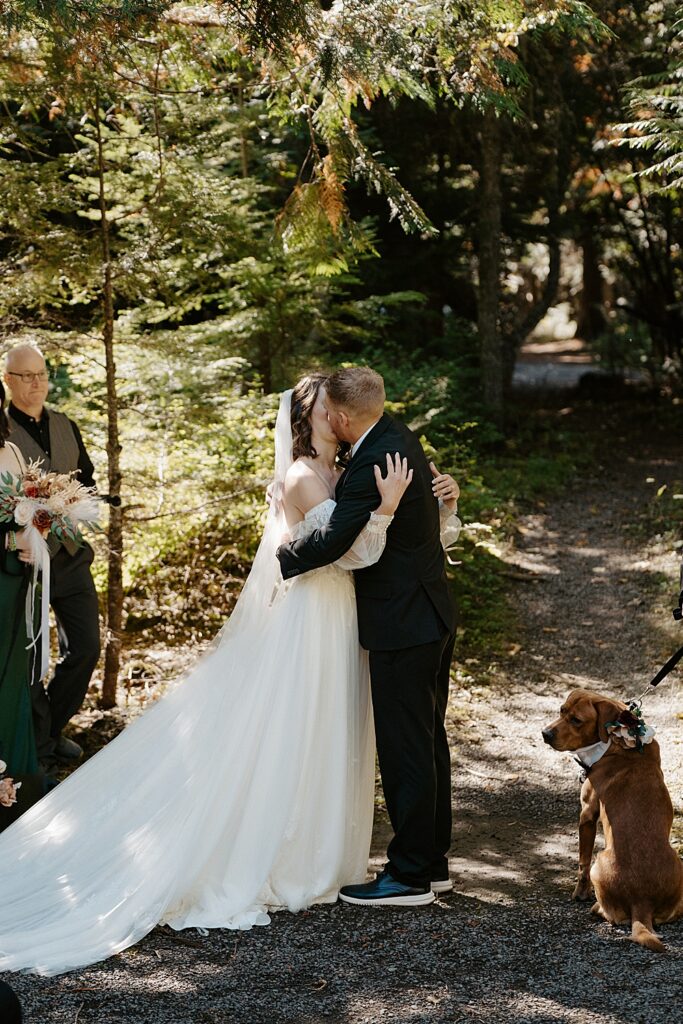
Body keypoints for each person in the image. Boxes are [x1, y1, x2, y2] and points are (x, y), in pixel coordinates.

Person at [0, 372, 413, 976]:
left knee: (329, 721)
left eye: (335, 407)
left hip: (339, 613)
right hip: (312, 613)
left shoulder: (343, 466)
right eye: (326, 407)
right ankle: (290, 856)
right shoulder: (301, 474)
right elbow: (344, 549)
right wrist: (388, 510)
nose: (336, 414)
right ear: (310, 417)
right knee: (299, 719)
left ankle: (322, 850)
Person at [277, 366, 460, 907]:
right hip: (430, 612)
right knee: (427, 742)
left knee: (407, 749)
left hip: (403, 623)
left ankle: (408, 877)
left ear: (340, 416)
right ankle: (433, 862)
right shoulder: (398, 437)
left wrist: (282, 557)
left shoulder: (367, 467)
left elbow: (344, 547)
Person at [3, 343, 100, 770]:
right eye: (26, 375)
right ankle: (39, 748)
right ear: (7, 379)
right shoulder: (1, 432)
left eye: (41, 373)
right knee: (31, 659)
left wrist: (69, 501)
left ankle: (52, 729)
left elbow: (88, 481)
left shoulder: (66, 425)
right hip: (27, 563)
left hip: (72, 555)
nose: (37, 382)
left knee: (86, 648)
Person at [0, 381, 41, 830]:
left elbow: (30, 504)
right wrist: (10, 538)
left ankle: (18, 774)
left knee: (14, 672)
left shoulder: (10, 450)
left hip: (15, 577)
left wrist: (37, 532)